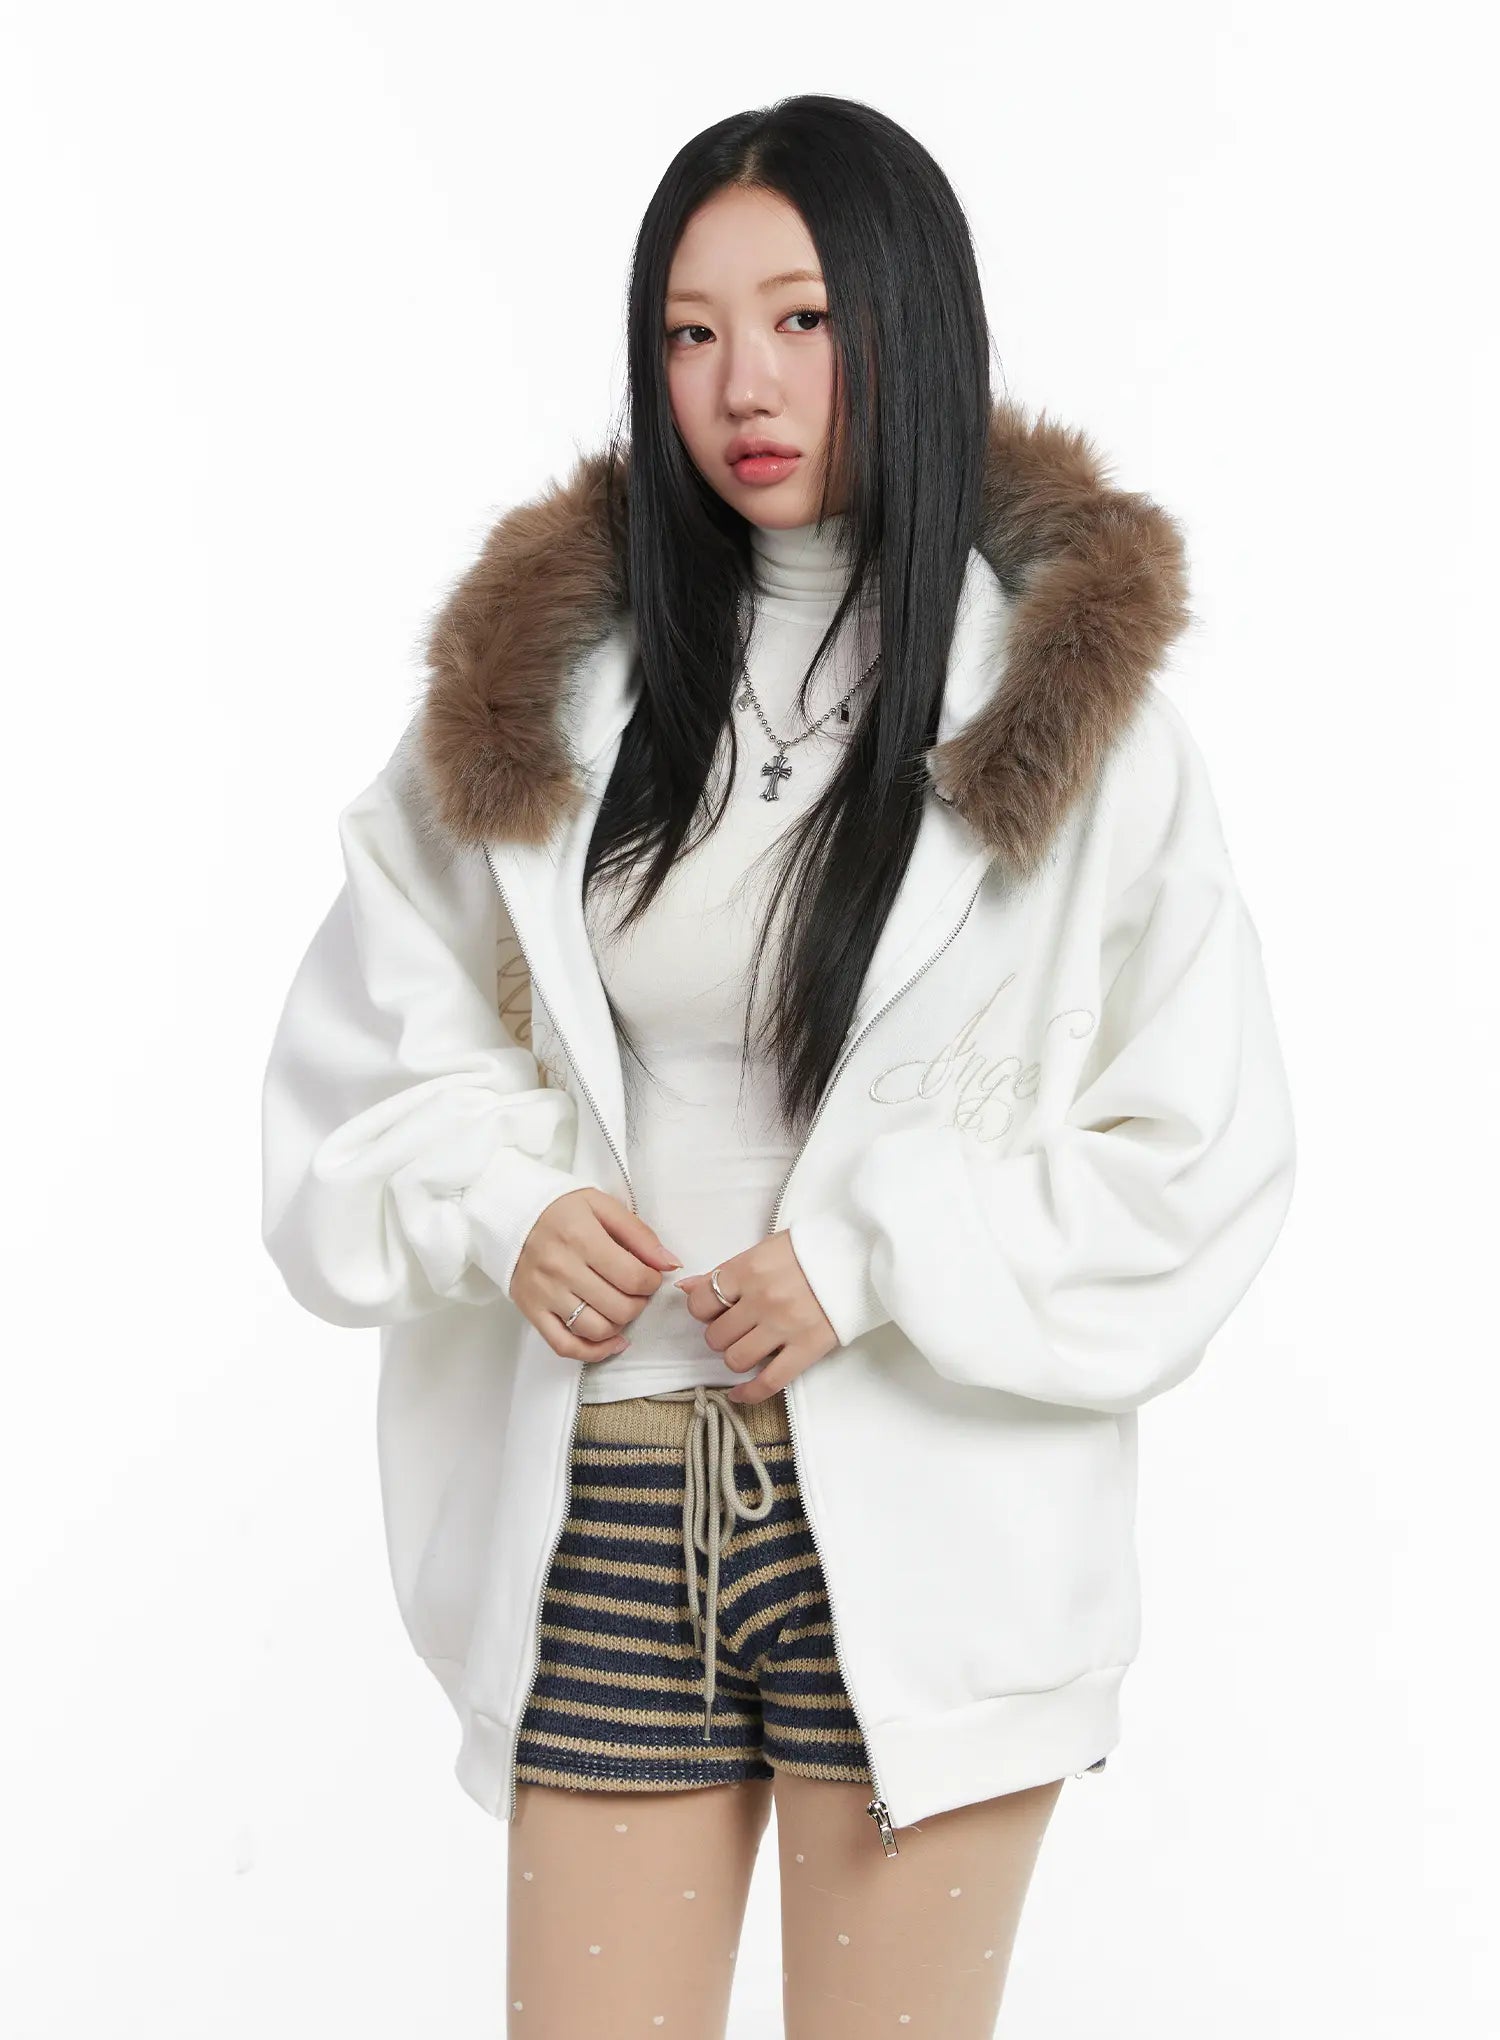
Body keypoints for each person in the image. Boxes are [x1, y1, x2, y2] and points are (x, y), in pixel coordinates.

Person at [260, 94, 1297, 2040]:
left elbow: (1200, 1151)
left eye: (803, 318)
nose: (743, 382)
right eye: (690, 330)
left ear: (910, 320)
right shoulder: (540, 703)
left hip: (932, 1521)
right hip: (610, 1493)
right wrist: (507, 1205)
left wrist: (874, 1261)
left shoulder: (1080, 727)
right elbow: (361, 1064)